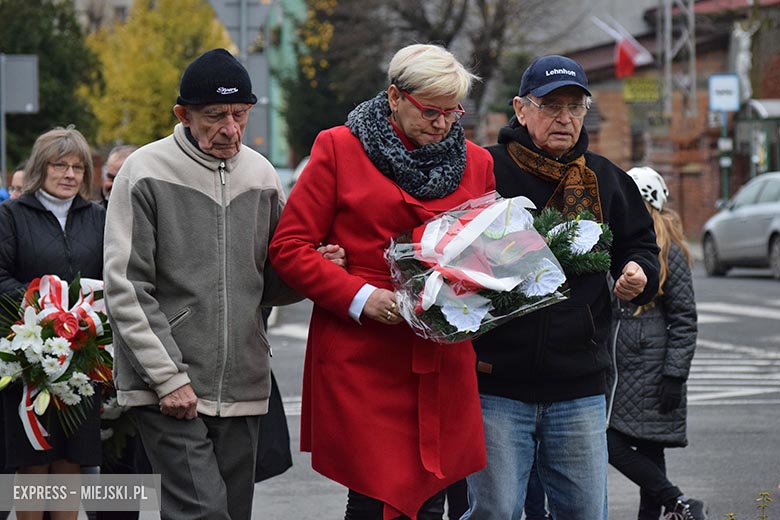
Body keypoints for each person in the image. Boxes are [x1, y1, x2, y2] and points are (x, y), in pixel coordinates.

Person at [268, 43, 494, 519]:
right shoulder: (338, 147)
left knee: (433, 496)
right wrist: (360, 296)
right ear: (394, 96)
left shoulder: (477, 162)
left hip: (440, 351)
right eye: (431, 111)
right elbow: (288, 248)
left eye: (453, 112)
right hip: (364, 351)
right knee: (374, 495)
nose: (443, 124)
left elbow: (485, 249)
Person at [103, 48, 306, 520]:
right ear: (184, 115)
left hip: (243, 385)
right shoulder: (145, 171)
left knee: (232, 514)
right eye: (215, 116)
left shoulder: (262, 174)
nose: (231, 128)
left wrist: (311, 268)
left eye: (240, 114)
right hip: (166, 386)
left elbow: (270, 286)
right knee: (202, 512)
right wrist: (167, 376)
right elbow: (127, 286)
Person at [462, 55, 661, 520]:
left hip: (578, 385)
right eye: (551, 106)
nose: (565, 118)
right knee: (496, 512)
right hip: (495, 383)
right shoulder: (485, 170)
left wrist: (637, 272)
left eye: (575, 106)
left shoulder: (607, 179)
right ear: (521, 108)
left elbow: (642, 246)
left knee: (586, 512)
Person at [0, 126, 105, 520]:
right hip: (27, 356)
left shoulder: (97, 217)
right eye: (60, 165)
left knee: (72, 458)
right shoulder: (10, 216)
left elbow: (111, 276)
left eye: (78, 167)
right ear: (40, 168)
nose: (70, 174)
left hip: (83, 351)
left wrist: (83, 317)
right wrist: (45, 308)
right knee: (33, 457)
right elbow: (0, 277)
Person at [607, 166, 705, 520]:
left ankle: (678, 501)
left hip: (652, 369)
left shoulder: (669, 251)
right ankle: (676, 505)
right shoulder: (617, 242)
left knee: (611, 444)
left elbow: (683, 318)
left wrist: (675, 375)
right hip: (621, 369)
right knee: (646, 454)